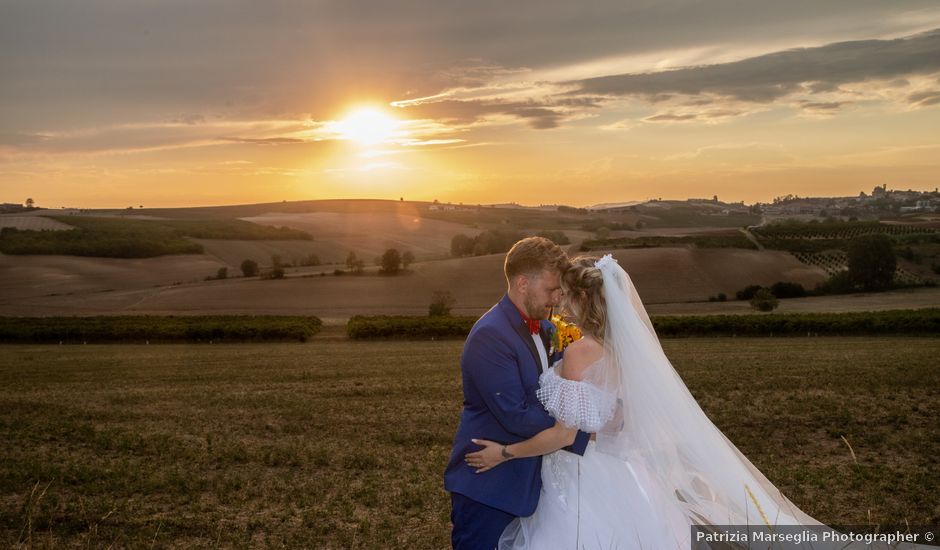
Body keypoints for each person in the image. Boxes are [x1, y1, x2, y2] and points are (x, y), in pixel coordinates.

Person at [466, 254, 935, 550]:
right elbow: (617, 415)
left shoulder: (582, 351)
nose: (559, 303)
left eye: (565, 295)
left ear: (582, 303)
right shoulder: (619, 352)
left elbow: (566, 433)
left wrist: (502, 452)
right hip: (622, 473)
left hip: (585, 478)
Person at [443, 237, 591, 550]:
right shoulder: (490, 335)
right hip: (488, 486)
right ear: (523, 283)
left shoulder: (549, 329)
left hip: (528, 482)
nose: (556, 298)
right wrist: (579, 432)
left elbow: (560, 392)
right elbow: (516, 415)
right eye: (551, 289)